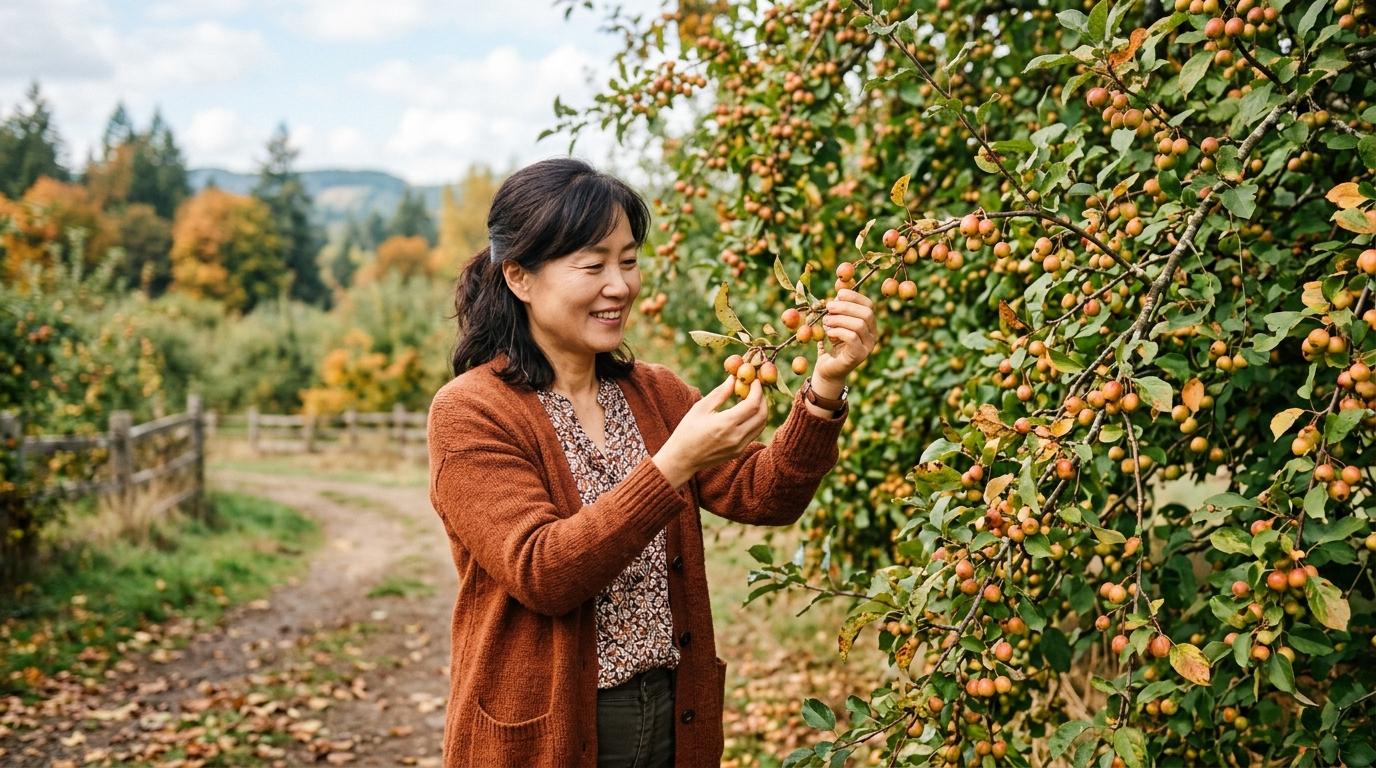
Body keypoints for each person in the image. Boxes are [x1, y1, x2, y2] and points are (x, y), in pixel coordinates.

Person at [426, 157, 877, 768]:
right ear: (519, 277)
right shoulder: (472, 411)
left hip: (672, 716)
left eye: (629, 260)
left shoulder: (655, 393)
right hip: (547, 732)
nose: (620, 286)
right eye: (593, 266)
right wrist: (672, 465)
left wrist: (825, 387)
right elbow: (542, 571)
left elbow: (766, 494)